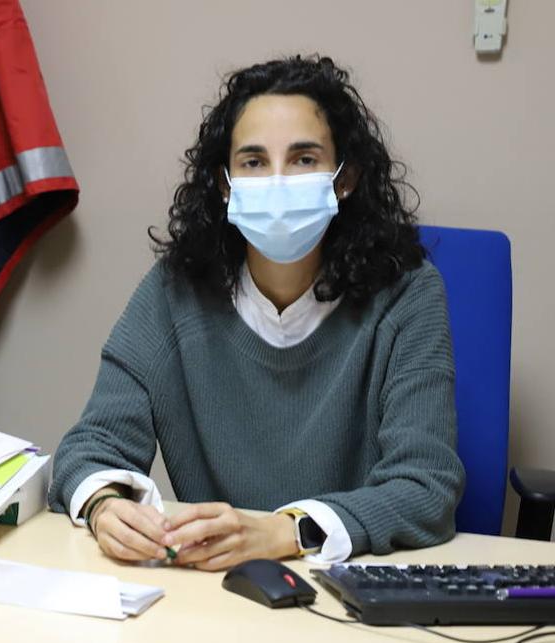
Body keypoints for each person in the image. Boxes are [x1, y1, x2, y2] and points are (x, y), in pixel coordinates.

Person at [49, 55, 464, 571]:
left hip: (353, 590)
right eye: (253, 162)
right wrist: (104, 504)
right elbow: (91, 444)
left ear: (345, 178)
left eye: (304, 159)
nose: (277, 181)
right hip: (212, 589)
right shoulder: (173, 292)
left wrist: (285, 530)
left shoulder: (408, 294)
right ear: (225, 185)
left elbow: (425, 487)